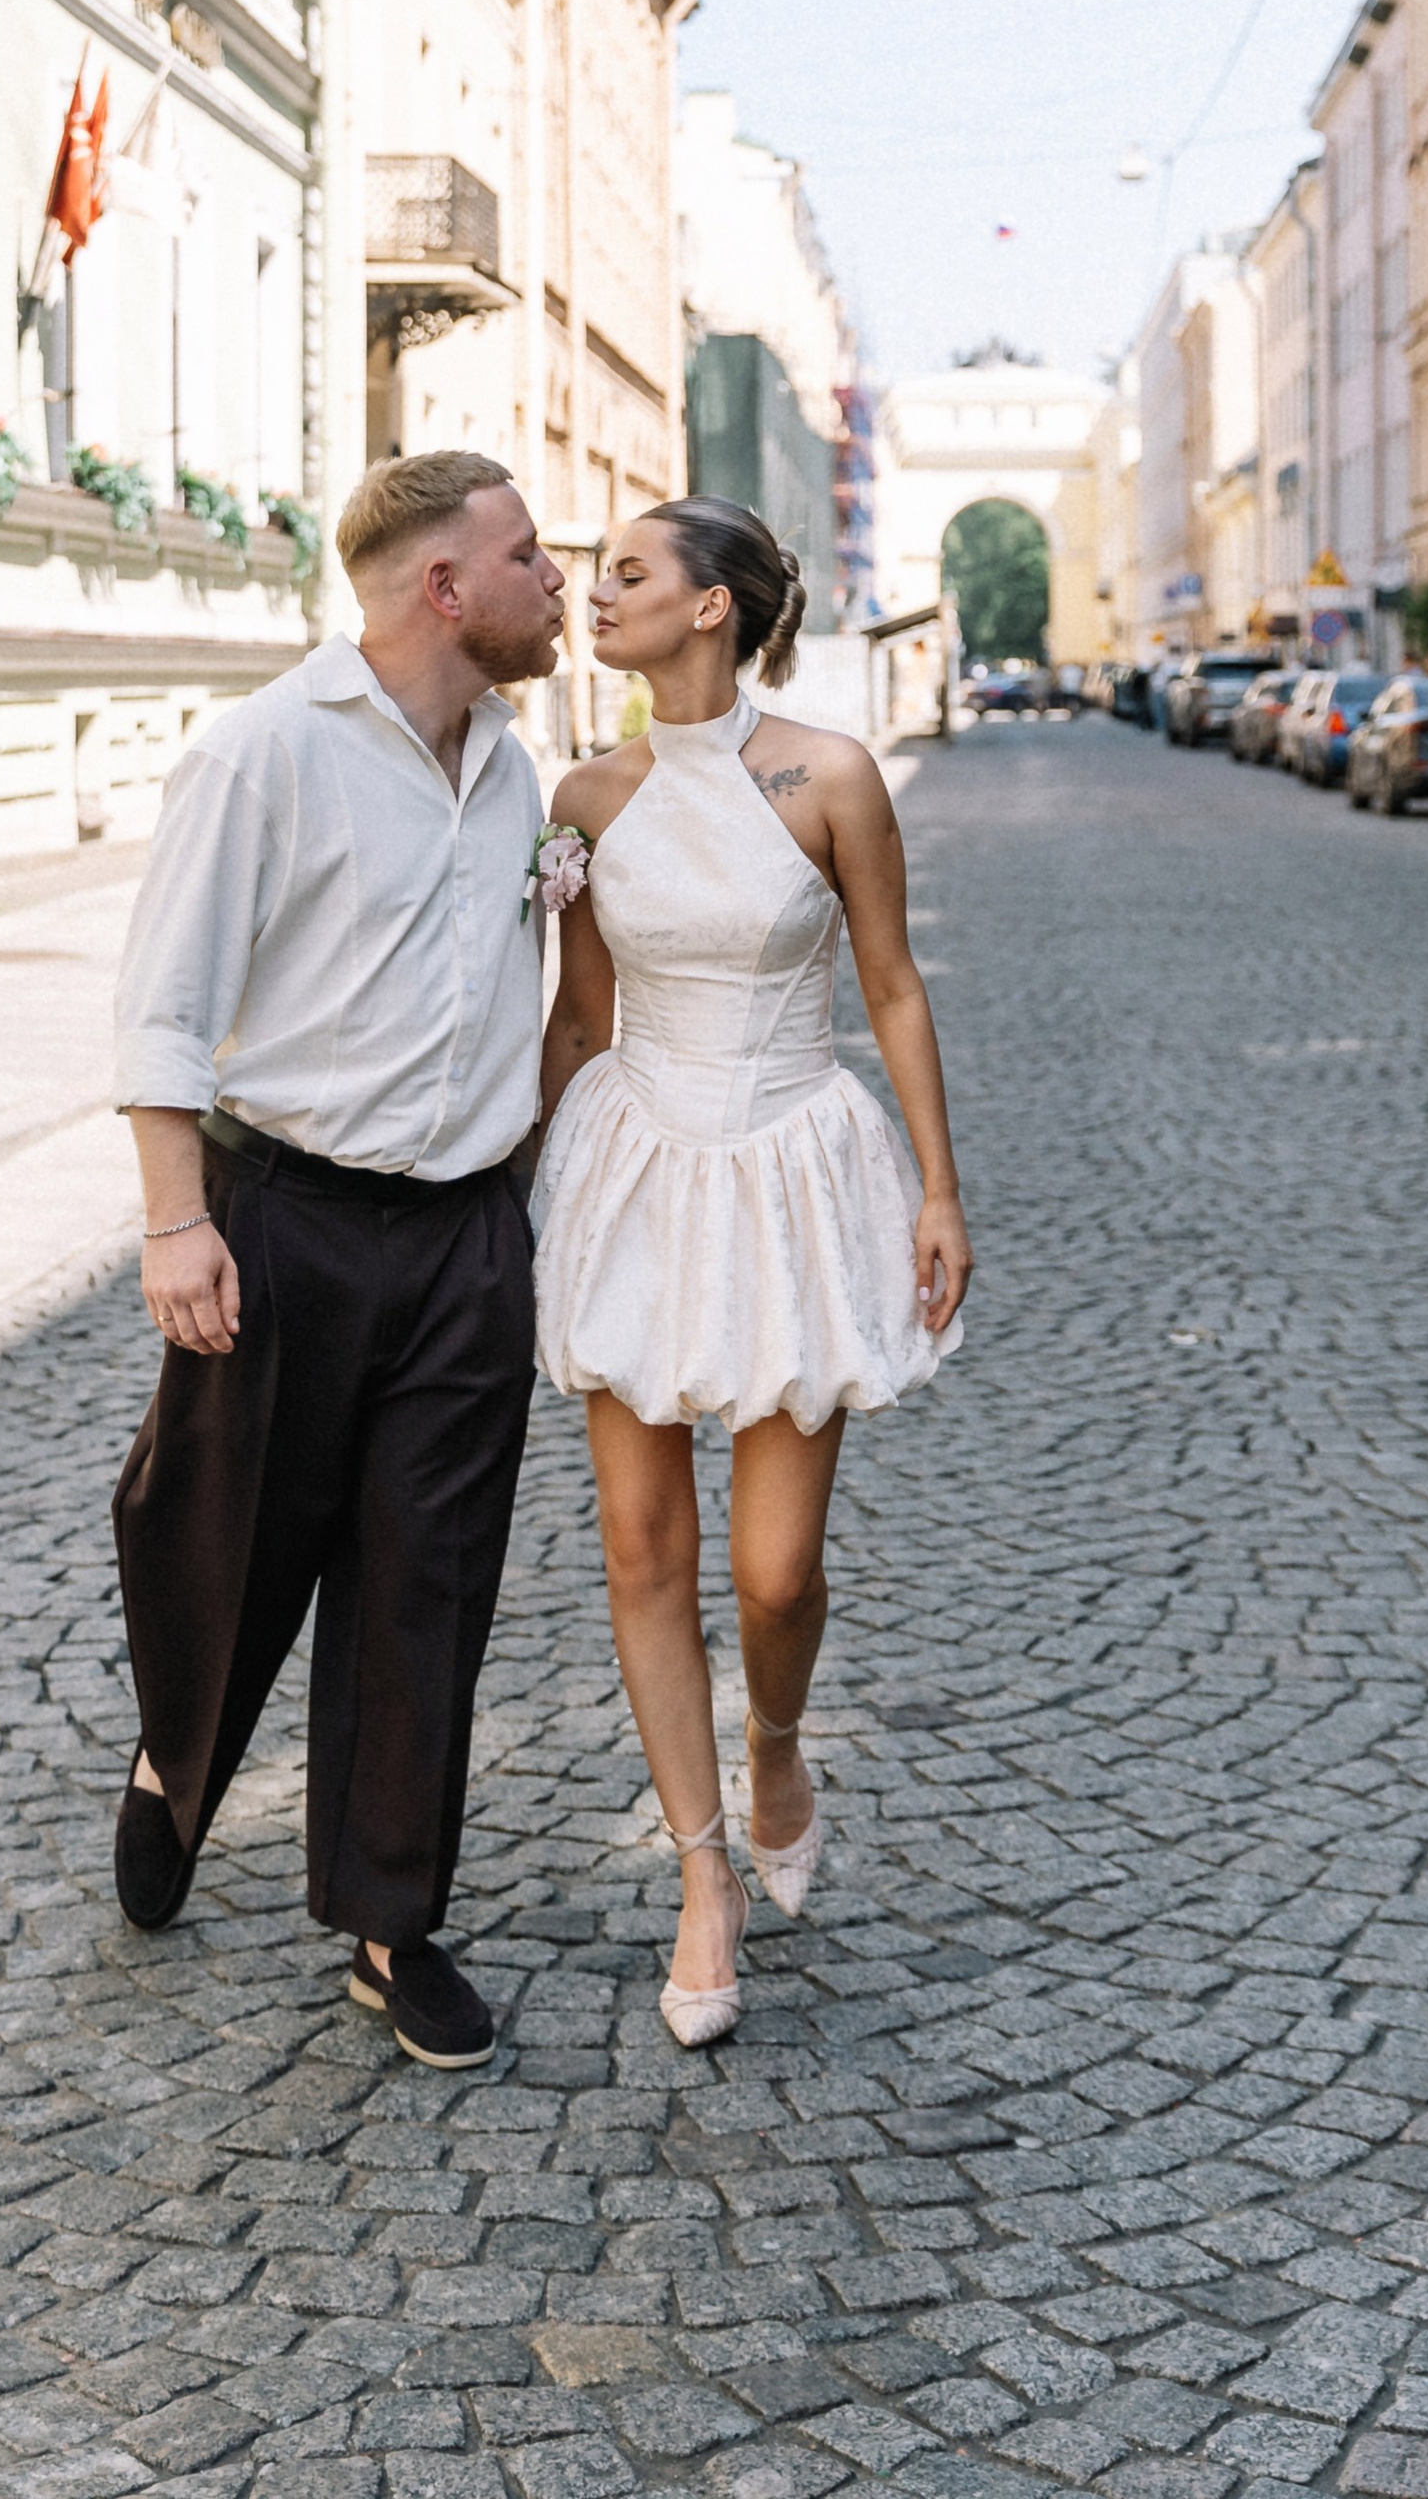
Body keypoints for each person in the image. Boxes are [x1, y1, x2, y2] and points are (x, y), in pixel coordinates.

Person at [107, 452, 566, 2073]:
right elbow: (163, 1004)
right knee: (221, 1533)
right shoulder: (261, 755)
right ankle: (179, 1757)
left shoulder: (520, 769)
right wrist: (179, 1222)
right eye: (529, 554)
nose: (557, 577)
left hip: (462, 1234)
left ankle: (390, 1917)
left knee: (424, 1578)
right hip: (281, 1210)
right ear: (446, 587)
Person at [532, 498, 970, 2049]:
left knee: (776, 1572)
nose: (594, 596)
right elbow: (579, 1018)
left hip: (795, 1168)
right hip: (636, 1166)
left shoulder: (831, 776)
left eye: (630, 576)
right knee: (644, 1552)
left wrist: (937, 1187)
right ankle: (701, 1877)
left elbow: (894, 984)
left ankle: (777, 1740)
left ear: (714, 608)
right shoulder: (584, 794)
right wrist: (513, 1198)